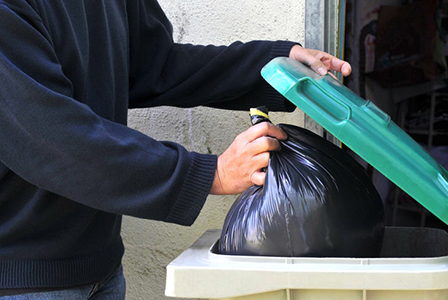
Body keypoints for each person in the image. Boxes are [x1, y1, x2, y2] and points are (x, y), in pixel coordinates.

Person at [0, 0, 351, 299]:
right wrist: (210, 174)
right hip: (22, 277)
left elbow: (156, 66)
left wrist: (274, 65)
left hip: (99, 261)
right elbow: (55, 139)